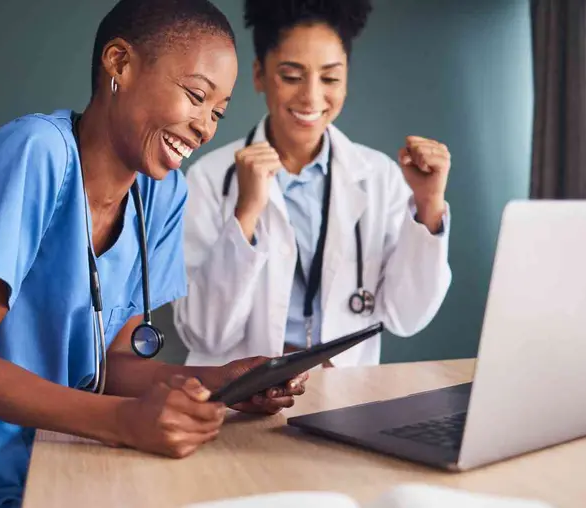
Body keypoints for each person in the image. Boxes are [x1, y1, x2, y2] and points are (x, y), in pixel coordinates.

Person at [0, 1, 307, 506]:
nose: (205, 128)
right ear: (119, 63)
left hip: (46, 466)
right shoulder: (35, 152)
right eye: (195, 96)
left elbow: (111, 366)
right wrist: (122, 422)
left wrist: (220, 381)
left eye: (217, 113)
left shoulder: (163, 196)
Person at [173, 0, 453, 368]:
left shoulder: (379, 176)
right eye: (291, 76)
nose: (311, 96)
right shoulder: (209, 179)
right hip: (241, 399)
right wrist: (246, 214)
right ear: (259, 75)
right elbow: (204, 334)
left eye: (331, 77)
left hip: (346, 396)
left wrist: (429, 205)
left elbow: (406, 317)